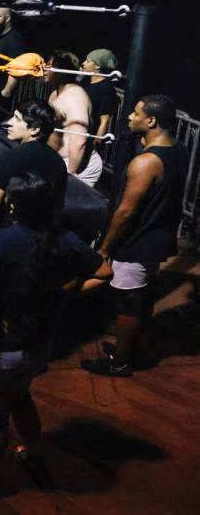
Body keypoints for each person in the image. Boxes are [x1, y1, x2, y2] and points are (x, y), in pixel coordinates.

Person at [0, 173, 111, 500]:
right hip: (40, 340)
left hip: (1, 344)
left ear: (12, 206)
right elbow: (104, 272)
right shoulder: (65, 239)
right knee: (21, 396)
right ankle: (33, 451)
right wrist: (63, 294)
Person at [82, 95, 188, 377]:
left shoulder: (146, 163)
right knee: (141, 294)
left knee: (128, 301)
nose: (129, 116)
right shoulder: (178, 149)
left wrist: (105, 247)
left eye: (136, 113)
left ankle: (121, 360)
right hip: (158, 235)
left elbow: (126, 212)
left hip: (138, 241)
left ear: (151, 121)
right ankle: (132, 348)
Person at [0, 100, 67, 263]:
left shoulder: (10, 158)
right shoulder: (58, 162)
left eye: (17, 119)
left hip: (8, 238)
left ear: (35, 129)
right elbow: (57, 209)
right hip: (42, 244)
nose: (8, 123)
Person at [44, 50, 103, 187]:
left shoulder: (75, 96)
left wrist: (71, 173)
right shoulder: (55, 94)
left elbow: (79, 139)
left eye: (50, 65)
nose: (45, 68)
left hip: (76, 164)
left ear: (60, 71)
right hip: (59, 160)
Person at [80, 48, 120, 150]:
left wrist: (95, 143)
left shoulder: (106, 89)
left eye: (88, 61)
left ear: (97, 65)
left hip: (87, 137)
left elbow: (105, 121)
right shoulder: (86, 81)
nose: (83, 63)